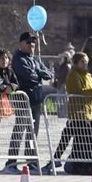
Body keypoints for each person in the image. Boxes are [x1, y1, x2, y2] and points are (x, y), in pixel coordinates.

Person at [52, 51, 92, 174]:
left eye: (86, 62)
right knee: (79, 139)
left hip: (88, 113)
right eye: (82, 62)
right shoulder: (73, 74)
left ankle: (79, 164)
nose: (85, 64)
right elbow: (80, 91)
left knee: (81, 139)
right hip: (78, 112)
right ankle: (74, 164)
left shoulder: (87, 75)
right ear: (76, 63)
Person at [11, 32, 54, 169]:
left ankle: (31, 161)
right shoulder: (18, 58)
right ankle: (11, 162)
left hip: (36, 99)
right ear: (21, 43)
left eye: (33, 42)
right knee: (19, 131)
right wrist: (40, 74)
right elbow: (29, 76)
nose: (32, 45)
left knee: (32, 133)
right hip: (23, 100)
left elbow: (49, 74)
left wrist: (39, 73)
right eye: (28, 42)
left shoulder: (35, 59)